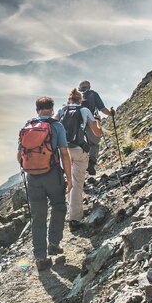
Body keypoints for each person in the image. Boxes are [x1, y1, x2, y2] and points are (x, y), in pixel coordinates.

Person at [17, 96, 72, 271]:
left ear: (37, 109)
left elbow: (19, 157)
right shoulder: (56, 126)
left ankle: (40, 257)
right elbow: (64, 153)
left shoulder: (26, 128)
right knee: (58, 206)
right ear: (52, 108)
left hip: (32, 178)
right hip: (52, 175)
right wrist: (69, 178)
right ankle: (54, 244)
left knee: (38, 216)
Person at [56, 88, 102, 231]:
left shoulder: (62, 110)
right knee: (77, 183)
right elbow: (97, 133)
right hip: (78, 149)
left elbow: (53, 126)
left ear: (69, 99)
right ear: (80, 100)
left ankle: (69, 211)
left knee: (69, 180)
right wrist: (98, 122)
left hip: (63, 150)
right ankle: (75, 218)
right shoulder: (84, 111)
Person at [78, 80, 115, 175]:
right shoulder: (93, 94)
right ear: (89, 87)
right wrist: (111, 113)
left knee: (77, 146)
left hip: (77, 123)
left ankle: (78, 169)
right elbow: (102, 108)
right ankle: (91, 163)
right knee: (94, 144)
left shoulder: (75, 95)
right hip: (91, 121)